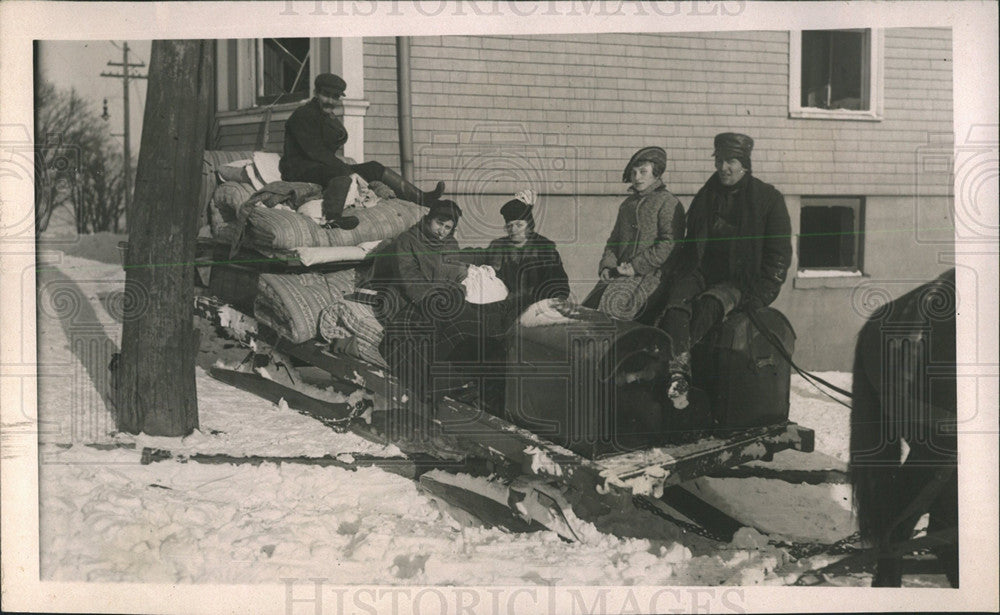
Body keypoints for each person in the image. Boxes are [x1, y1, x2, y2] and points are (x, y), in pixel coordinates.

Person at [655, 132, 792, 408]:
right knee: (676, 304)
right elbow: (691, 242)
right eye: (719, 160)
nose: (723, 168)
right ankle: (677, 373)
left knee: (708, 306)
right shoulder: (707, 195)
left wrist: (761, 295)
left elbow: (778, 256)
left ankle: (677, 372)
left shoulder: (768, 199)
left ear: (745, 164)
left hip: (739, 281)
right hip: (702, 271)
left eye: (731, 161)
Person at [364, 200, 507, 403]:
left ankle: (474, 380)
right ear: (428, 219)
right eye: (439, 223)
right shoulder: (407, 241)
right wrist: (436, 299)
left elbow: (454, 275)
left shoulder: (450, 244)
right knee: (410, 340)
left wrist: (458, 291)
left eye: (448, 227)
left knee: (474, 326)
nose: (442, 231)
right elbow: (409, 278)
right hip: (411, 300)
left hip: (442, 300)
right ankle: (435, 387)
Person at [280, 73, 445, 229]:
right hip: (299, 168)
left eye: (335, 97)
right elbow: (315, 152)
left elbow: (332, 143)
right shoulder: (303, 115)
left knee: (373, 167)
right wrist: (347, 170)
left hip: (320, 166)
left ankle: (421, 198)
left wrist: (348, 168)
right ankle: (332, 217)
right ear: (316, 93)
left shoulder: (326, 116)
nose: (330, 101)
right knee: (340, 171)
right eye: (326, 95)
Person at [582, 146, 685, 323]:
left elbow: (669, 243)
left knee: (618, 317)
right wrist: (607, 265)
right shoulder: (627, 205)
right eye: (633, 173)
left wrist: (635, 267)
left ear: (656, 174)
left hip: (651, 277)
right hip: (619, 273)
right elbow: (614, 240)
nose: (637, 178)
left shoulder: (668, 203)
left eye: (643, 172)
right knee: (587, 312)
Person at [459, 190, 570, 316]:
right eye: (509, 226)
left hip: (534, 308)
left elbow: (558, 284)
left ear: (529, 225)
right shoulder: (499, 246)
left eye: (519, 225)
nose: (514, 230)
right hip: (502, 306)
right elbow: (478, 256)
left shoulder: (545, 249)